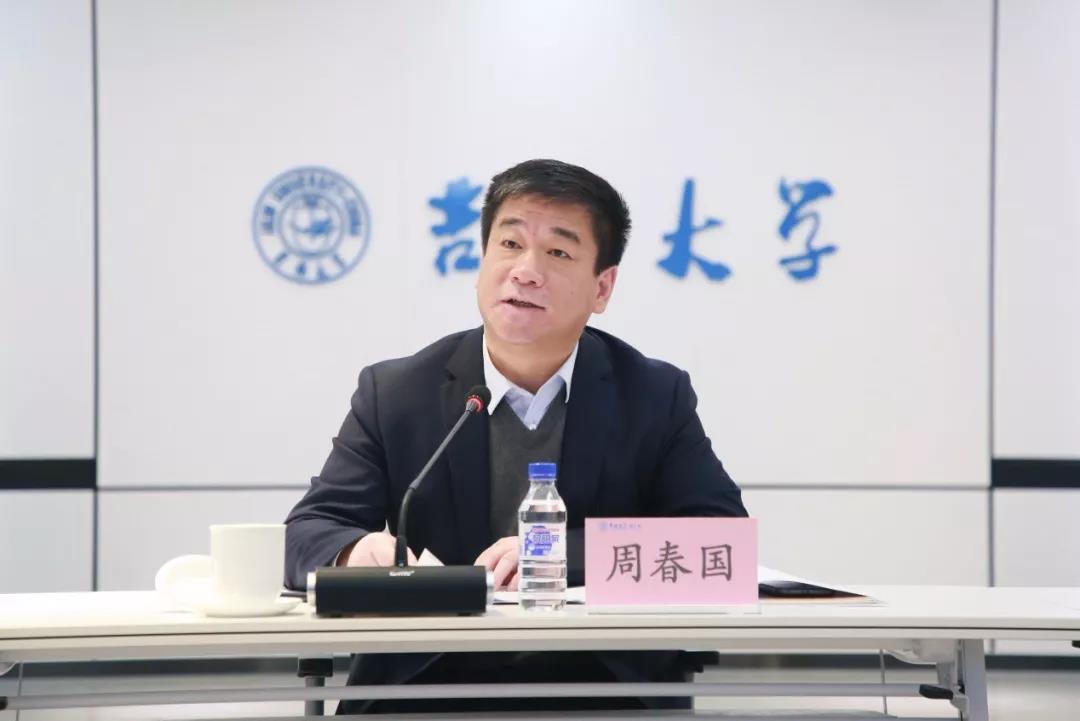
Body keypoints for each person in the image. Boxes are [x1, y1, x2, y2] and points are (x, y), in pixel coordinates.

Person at [284, 158, 747, 714]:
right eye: (509, 244)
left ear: (602, 287)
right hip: (424, 689)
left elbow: (722, 545)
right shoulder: (398, 392)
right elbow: (305, 534)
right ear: (482, 262)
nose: (526, 271)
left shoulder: (652, 394)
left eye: (558, 253)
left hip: (603, 690)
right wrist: (356, 551)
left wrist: (559, 556)